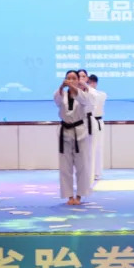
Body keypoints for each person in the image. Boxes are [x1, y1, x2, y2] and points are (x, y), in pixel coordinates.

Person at [55, 70, 94, 205]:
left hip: (80, 132)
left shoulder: (83, 94)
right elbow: (57, 100)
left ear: (78, 80)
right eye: (68, 78)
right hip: (64, 132)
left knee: (82, 165)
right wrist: (61, 87)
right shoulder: (62, 94)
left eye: (73, 78)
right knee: (65, 167)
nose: (70, 80)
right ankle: (69, 196)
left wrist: (73, 87)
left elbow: (84, 100)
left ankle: (79, 195)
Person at [88, 74, 107, 180]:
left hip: (97, 121)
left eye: (89, 82)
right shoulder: (86, 94)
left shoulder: (101, 94)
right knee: (89, 149)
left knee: (98, 148)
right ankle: (90, 172)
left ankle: (97, 172)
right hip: (88, 122)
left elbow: (94, 95)